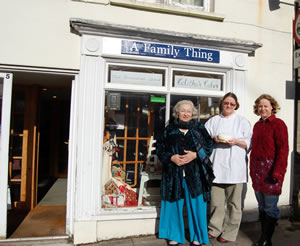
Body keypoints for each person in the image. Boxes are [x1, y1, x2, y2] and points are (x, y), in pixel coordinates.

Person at [156, 100, 215, 246]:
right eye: (183, 110)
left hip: (195, 174)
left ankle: (197, 237)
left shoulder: (199, 128)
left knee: (197, 205)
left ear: (193, 113)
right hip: (173, 174)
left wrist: (196, 155)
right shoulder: (169, 129)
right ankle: (174, 235)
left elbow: (209, 146)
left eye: (189, 111)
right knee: (173, 204)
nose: (186, 113)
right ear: (177, 112)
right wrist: (171, 157)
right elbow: (160, 148)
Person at [205, 92, 252, 243]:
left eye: (232, 104)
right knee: (216, 202)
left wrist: (236, 142)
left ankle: (230, 233)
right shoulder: (213, 121)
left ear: (236, 105)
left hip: (235, 168)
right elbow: (203, 139)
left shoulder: (242, 121)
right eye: (226, 103)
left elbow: (249, 142)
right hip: (216, 166)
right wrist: (213, 138)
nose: (229, 106)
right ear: (222, 104)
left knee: (234, 204)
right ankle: (214, 228)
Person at [250, 94, 289, 246]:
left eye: (266, 106)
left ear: (272, 107)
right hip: (257, 172)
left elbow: (283, 150)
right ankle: (264, 235)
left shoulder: (278, 124)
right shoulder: (257, 125)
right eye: (260, 106)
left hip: (272, 171)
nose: (263, 108)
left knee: (270, 206)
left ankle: (266, 240)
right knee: (261, 205)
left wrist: (278, 172)